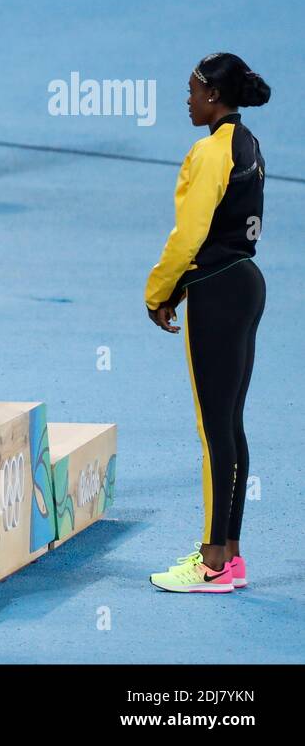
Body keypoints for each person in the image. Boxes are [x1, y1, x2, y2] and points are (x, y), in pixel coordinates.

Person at [145, 54, 270, 595]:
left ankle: (212, 563)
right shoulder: (249, 144)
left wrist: (159, 291)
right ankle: (231, 555)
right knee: (231, 425)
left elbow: (188, 235)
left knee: (213, 430)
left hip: (216, 289)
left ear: (215, 97)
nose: (189, 99)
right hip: (246, 280)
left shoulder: (210, 150)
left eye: (194, 91)